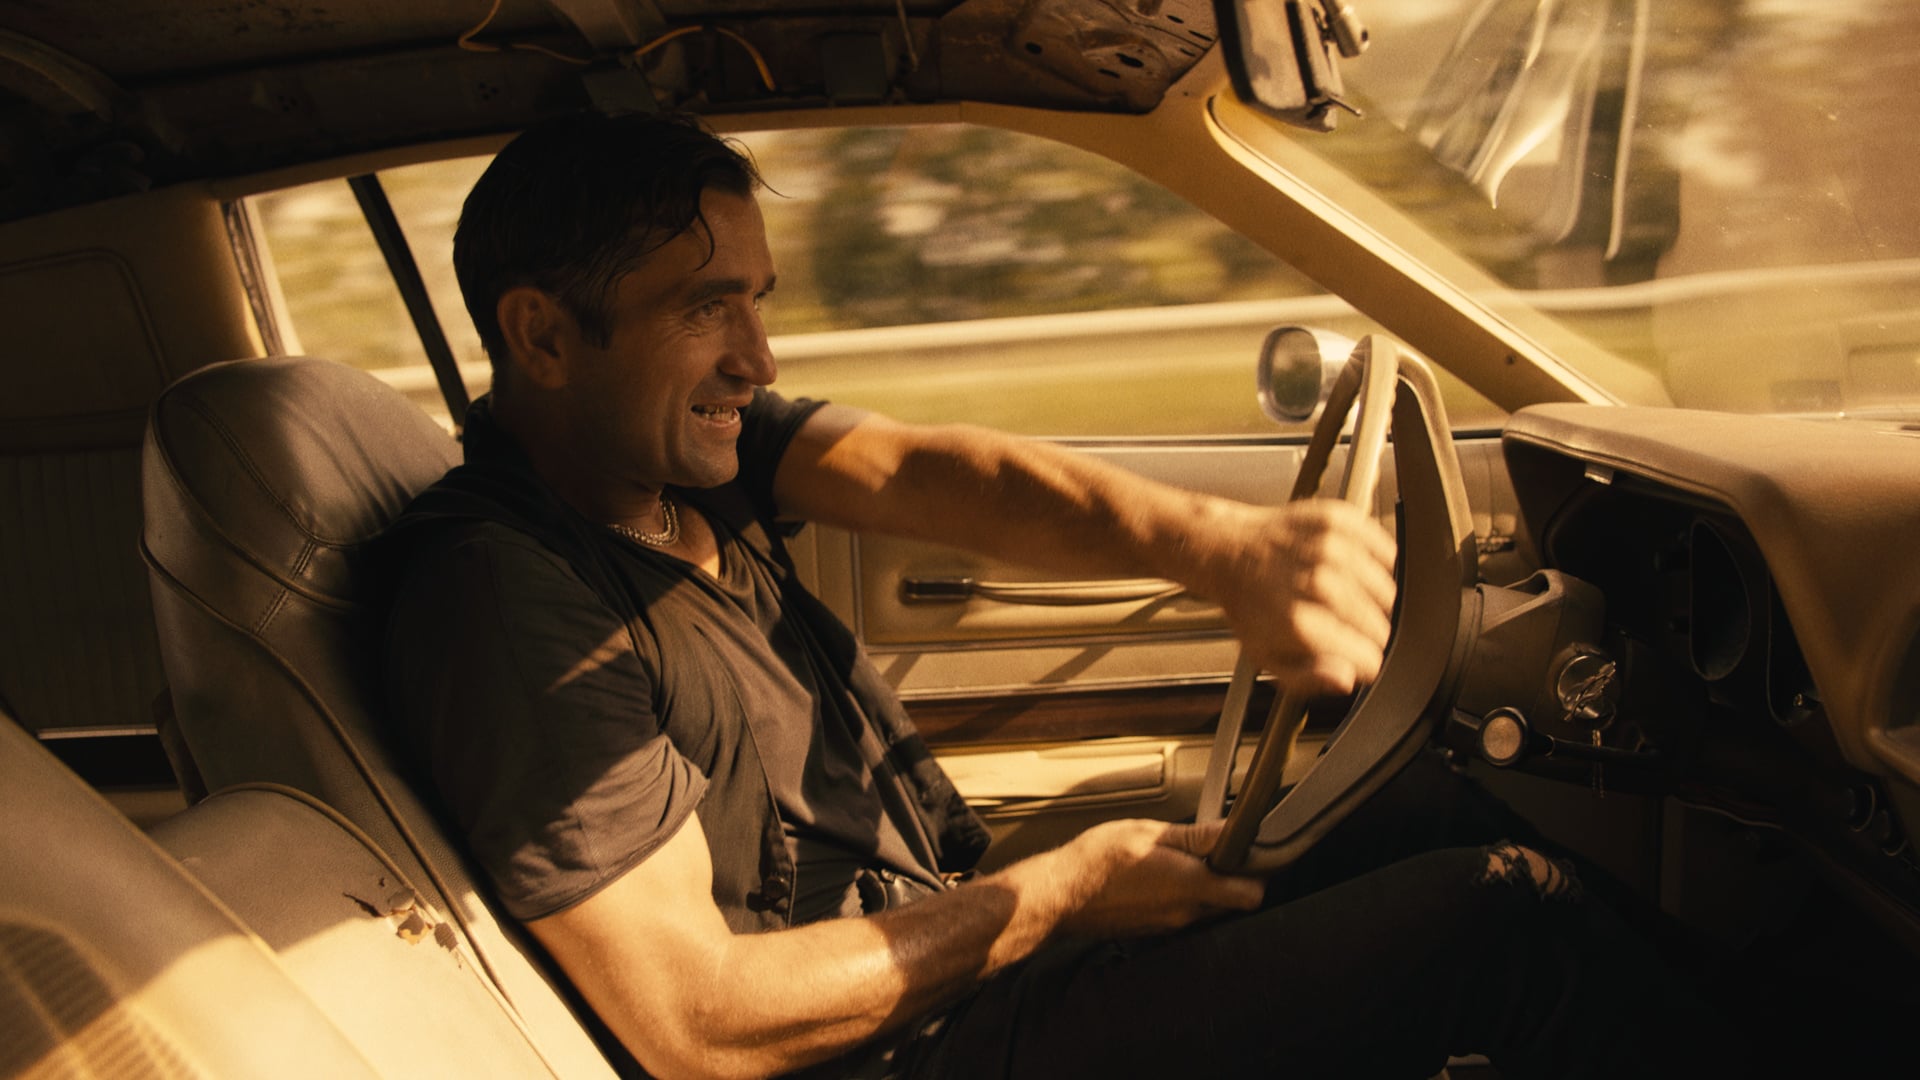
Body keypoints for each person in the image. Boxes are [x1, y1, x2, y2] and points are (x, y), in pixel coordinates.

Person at [379, 111, 1724, 1079]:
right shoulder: (503, 598)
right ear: (543, 335)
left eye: (759, 301)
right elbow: (698, 1021)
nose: (758, 357)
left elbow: (927, 471)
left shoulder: (682, 465)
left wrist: (1219, 546)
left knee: (1413, 803)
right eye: (704, 309)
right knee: (1508, 918)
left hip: (953, 946)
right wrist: (1060, 896)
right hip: (914, 1048)